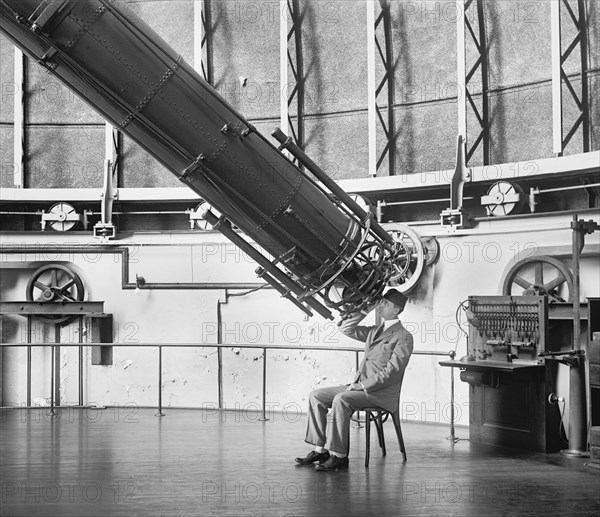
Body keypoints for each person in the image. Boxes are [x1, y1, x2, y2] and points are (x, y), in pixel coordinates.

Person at [295, 288, 414, 471]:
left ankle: (339, 456)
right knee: (316, 396)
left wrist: (362, 385)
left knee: (341, 399)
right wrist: (365, 309)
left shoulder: (404, 337)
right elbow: (345, 328)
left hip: (379, 394)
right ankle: (320, 449)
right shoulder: (375, 331)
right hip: (359, 387)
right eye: (380, 302)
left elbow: (393, 372)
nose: (380, 306)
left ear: (396, 310)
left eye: (385, 304)